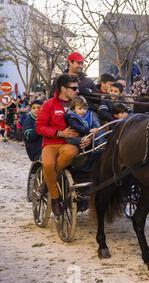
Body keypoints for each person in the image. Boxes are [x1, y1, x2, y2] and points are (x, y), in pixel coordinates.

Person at [35, 74, 87, 217]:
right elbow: (39, 127)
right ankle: (56, 199)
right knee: (47, 165)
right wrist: (59, 133)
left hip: (69, 145)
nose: (77, 90)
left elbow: (88, 124)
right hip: (51, 144)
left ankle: (47, 181)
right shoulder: (49, 104)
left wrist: (88, 137)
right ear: (63, 88)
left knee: (70, 153)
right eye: (74, 88)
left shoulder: (79, 104)